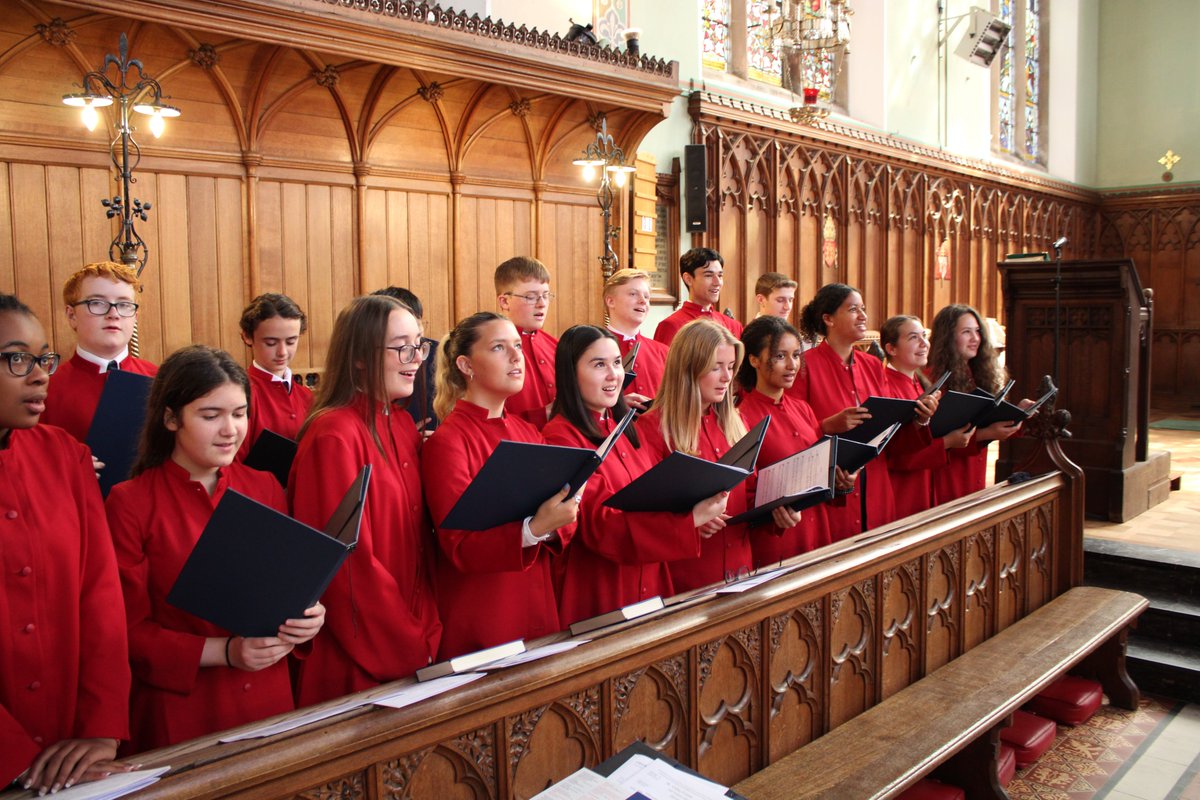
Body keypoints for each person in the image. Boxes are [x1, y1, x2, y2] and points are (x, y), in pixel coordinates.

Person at [106, 346, 325, 751]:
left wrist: (309, 616)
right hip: (183, 710)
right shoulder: (130, 501)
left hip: (267, 700)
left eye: (239, 413)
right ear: (171, 418)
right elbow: (128, 632)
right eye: (211, 416)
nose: (230, 430)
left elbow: (289, 586)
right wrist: (227, 651)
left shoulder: (264, 486)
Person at [0, 295, 132, 793]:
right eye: (17, 359)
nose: (40, 376)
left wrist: (101, 730)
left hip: (74, 751)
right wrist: (12, 756)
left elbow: (100, 596)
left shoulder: (65, 456)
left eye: (43, 359)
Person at [288, 295, 442, 705]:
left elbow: (418, 542)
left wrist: (426, 625)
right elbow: (345, 566)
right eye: (401, 347)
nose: (416, 359)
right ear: (359, 357)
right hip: (359, 654)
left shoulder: (402, 424)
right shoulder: (334, 434)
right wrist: (409, 641)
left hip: (416, 637)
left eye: (420, 345)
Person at [543, 325, 727, 626]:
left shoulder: (627, 430)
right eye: (599, 364)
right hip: (601, 589)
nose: (614, 374)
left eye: (616, 362)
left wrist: (697, 510)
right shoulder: (561, 437)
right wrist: (689, 520)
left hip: (648, 584)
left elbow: (655, 498)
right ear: (570, 372)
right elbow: (598, 525)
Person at [422, 312, 579, 658]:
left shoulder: (527, 432)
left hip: (537, 603)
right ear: (466, 364)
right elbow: (458, 545)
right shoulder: (448, 442)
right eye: (498, 348)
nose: (515, 357)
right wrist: (534, 528)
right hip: (485, 615)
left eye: (517, 347)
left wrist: (561, 515)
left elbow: (559, 525)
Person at [639, 320, 789, 593]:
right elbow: (644, 515)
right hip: (688, 578)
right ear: (688, 369)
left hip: (739, 570)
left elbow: (749, 494)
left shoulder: (733, 423)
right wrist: (691, 522)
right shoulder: (653, 428)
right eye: (715, 367)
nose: (726, 377)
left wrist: (782, 506)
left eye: (731, 367)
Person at [793, 284, 896, 539]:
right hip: (829, 483)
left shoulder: (873, 364)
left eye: (863, 309)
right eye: (853, 309)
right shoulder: (805, 366)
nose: (863, 316)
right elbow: (792, 429)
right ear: (828, 318)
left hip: (875, 484)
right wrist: (826, 425)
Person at [736, 316, 834, 565]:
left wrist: (840, 478)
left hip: (817, 529)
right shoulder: (741, 417)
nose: (792, 365)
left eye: (796, 355)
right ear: (754, 359)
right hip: (776, 540)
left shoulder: (802, 408)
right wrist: (773, 509)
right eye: (780, 356)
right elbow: (744, 493)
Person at [40, 261, 157, 443]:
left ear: (135, 317)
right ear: (72, 316)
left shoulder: (160, 381)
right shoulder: (46, 392)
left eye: (124, 304)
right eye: (97, 303)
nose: (113, 313)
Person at [927, 304, 1024, 503]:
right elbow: (933, 439)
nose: (975, 339)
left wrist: (1018, 413)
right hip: (946, 475)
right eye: (966, 332)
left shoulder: (976, 373)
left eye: (977, 331)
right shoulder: (932, 378)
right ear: (948, 337)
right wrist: (986, 434)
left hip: (973, 470)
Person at [879, 315, 971, 519]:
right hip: (901, 492)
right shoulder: (885, 386)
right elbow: (895, 456)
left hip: (923, 485)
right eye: (913, 338)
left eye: (924, 336)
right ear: (891, 349)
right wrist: (947, 442)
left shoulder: (920, 383)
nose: (924, 344)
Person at [235, 293, 314, 462]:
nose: (282, 352)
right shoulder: (241, 395)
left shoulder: (307, 397)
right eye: (271, 343)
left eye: (291, 341)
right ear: (247, 337)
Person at [496, 257, 558, 430]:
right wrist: (541, 415)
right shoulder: (491, 350)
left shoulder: (557, 346)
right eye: (531, 297)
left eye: (546, 296)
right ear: (505, 301)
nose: (542, 304)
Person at [370, 286, 439, 434]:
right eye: (402, 344)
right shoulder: (338, 430)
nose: (418, 357)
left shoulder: (436, 354)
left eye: (417, 342)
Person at [603, 268, 668, 411]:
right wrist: (617, 405)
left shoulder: (663, 352)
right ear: (610, 301)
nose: (643, 301)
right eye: (633, 294)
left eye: (647, 296)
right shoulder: (593, 350)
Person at [653, 248, 743, 346]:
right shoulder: (672, 326)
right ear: (688, 279)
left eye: (720, 275)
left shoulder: (733, 325)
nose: (717, 282)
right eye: (708, 275)